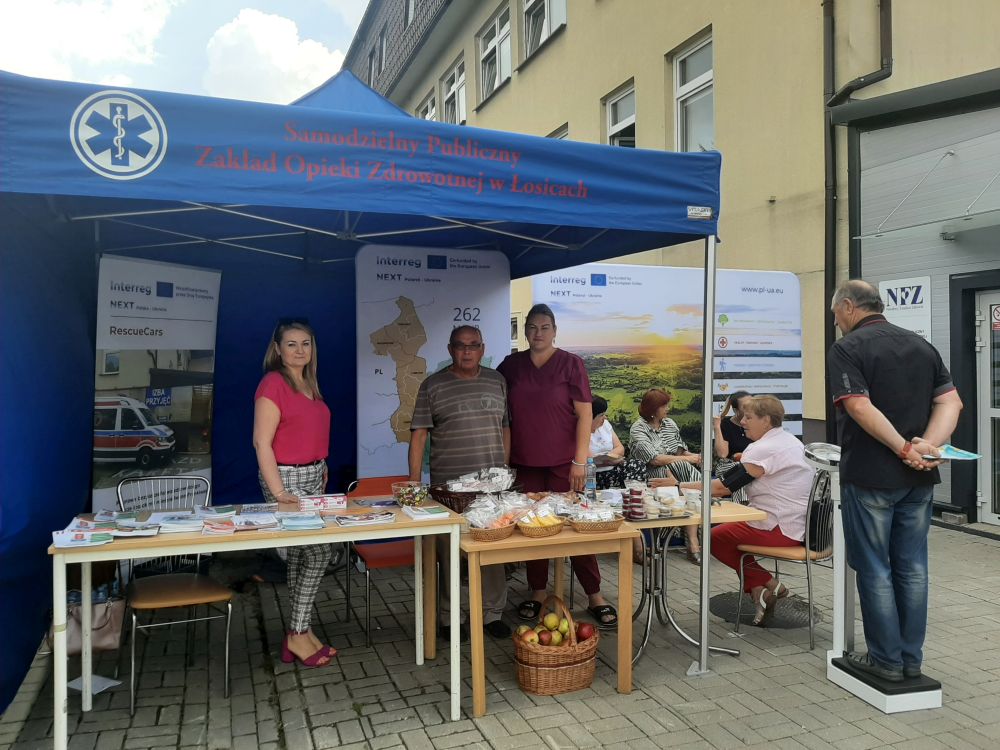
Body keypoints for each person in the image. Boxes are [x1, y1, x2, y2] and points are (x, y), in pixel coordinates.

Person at [827, 279, 962, 682]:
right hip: (918, 480)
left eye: (835, 315)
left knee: (874, 568)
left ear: (848, 307)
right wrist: (928, 446)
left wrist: (905, 448)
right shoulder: (922, 345)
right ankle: (910, 660)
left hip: (870, 476)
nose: (836, 323)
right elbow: (951, 402)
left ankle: (885, 661)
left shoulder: (847, 348)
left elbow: (858, 406)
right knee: (913, 568)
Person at [498, 304, 619, 629]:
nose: (538, 333)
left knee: (576, 527)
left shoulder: (570, 363)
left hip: (566, 463)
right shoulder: (511, 365)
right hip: (525, 462)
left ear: (554, 331)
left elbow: (584, 414)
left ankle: (594, 594)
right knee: (534, 529)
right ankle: (537, 591)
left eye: (544, 327)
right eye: (532, 327)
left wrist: (580, 461)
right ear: (525, 330)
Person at [408, 325, 511, 639]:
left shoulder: (497, 380)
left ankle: (491, 614)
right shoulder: (432, 385)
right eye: (460, 345)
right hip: (448, 490)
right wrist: (414, 484)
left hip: (491, 489)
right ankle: (450, 617)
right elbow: (419, 435)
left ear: (482, 349)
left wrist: (504, 471)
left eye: (473, 345)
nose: (467, 351)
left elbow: (505, 427)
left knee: (492, 551)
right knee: (449, 553)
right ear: (450, 349)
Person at [252, 319, 335, 668]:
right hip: (286, 478)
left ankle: (299, 631)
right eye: (291, 344)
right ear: (277, 349)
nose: (300, 350)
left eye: (306, 343)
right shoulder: (274, 383)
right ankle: (298, 634)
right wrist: (278, 491)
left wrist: (321, 464)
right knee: (319, 551)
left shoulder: (309, 383)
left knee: (302, 555)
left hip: (313, 475)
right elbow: (261, 442)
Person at [694, 396, 814, 625]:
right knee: (726, 538)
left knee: (712, 537)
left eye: (748, 417)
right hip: (797, 525)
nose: (742, 422)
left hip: (778, 528)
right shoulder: (790, 440)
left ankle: (770, 584)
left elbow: (722, 488)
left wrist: (678, 486)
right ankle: (760, 591)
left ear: (766, 421)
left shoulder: (762, 449)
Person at [629, 388, 703, 563]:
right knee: (683, 469)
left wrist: (695, 457)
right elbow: (654, 459)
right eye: (664, 406)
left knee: (683, 467)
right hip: (649, 473)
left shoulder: (670, 424)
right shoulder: (638, 428)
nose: (668, 409)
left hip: (677, 470)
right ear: (652, 409)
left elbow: (680, 451)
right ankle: (693, 540)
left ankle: (691, 536)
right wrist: (686, 460)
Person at [713, 390, 754, 505]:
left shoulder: (756, 422)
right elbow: (722, 454)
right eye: (745, 407)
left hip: (751, 462)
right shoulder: (726, 424)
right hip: (728, 466)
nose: (751, 409)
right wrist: (717, 427)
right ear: (736, 410)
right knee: (742, 471)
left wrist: (742, 456)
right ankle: (743, 506)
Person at [588, 395, 627, 490]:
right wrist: (607, 462)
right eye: (601, 415)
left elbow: (620, 448)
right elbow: (587, 460)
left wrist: (609, 457)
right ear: (591, 417)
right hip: (593, 474)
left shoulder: (605, 424)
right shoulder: (582, 432)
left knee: (637, 464)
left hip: (612, 468)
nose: (605, 418)